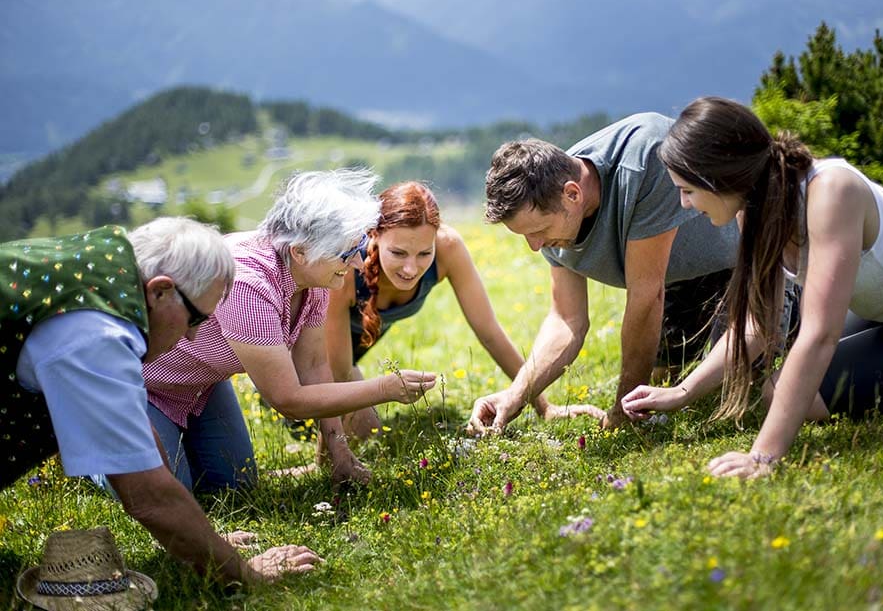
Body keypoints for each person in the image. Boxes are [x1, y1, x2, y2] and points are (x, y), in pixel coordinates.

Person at [1, 217, 319, 584]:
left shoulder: (111, 263)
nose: (195, 334)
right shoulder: (95, 333)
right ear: (161, 291)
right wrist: (245, 574)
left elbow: (138, 430)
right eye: (196, 318)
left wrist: (203, 541)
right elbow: (148, 494)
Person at [621, 96, 883, 478]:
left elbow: (819, 335)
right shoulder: (754, 209)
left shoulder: (832, 192)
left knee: (795, 393)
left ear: (720, 177)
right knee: (777, 393)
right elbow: (758, 324)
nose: (684, 204)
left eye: (687, 190)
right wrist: (683, 392)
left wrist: (762, 456)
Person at [143, 170, 437, 492]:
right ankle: (92, 454)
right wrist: (384, 389)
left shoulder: (316, 275)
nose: (356, 264)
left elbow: (313, 367)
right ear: (300, 251)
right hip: (148, 387)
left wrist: (338, 451)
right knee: (170, 490)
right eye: (346, 254)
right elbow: (288, 399)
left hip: (202, 388)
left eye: (358, 248)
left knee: (235, 485)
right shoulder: (248, 285)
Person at [467, 113, 740, 434]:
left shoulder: (646, 158)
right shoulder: (551, 200)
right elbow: (567, 320)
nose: (535, 247)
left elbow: (646, 297)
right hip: (678, 278)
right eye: (525, 236)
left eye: (539, 231)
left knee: (738, 388)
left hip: (744, 265)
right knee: (666, 381)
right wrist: (515, 396)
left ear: (573, 194)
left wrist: (624, 408)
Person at [322, 180, 604, 438]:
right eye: (398, 253)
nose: (411, 268)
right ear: (375, 235)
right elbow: (337, 373)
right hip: (305, 358)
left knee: (365, 432)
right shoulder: (347, 268)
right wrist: (335, 447)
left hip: (349, 363)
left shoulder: (448, 248)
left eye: (424, 253)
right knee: (359, 433)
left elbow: (489, 333)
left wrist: (544, 406)